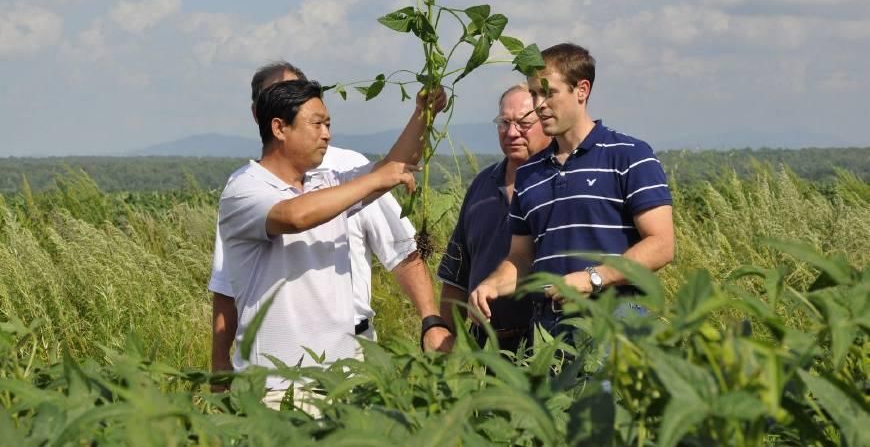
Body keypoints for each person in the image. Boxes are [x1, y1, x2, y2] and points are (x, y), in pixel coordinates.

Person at [210, 63, 452, 383]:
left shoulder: (328, 182)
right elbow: (295, 217)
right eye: (317, 124)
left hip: (342, 378)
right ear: (279, 128)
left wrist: (424, 113)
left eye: (328, 124)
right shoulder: (244, 188)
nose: (327, 134)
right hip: (275, 384)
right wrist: (375, 180)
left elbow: (396, 166)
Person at [469, 43, 674, 337]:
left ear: (581, 90)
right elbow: (522, 258)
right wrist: (492, 284)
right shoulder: (530, 173)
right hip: (546, 329)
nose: (539, 104)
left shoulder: (629, 155)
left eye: (548, 92)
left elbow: (662, 245)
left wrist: (593, 278)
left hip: (616, 319)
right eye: (535, 94)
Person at [437, 84, 551, 352]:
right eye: (504, 122)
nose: (512, 133)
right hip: (486, 347)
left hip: (545, 346)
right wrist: (446, 338)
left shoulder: (562, 184)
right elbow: (457, 275)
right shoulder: (482, 186)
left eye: (524, 123)